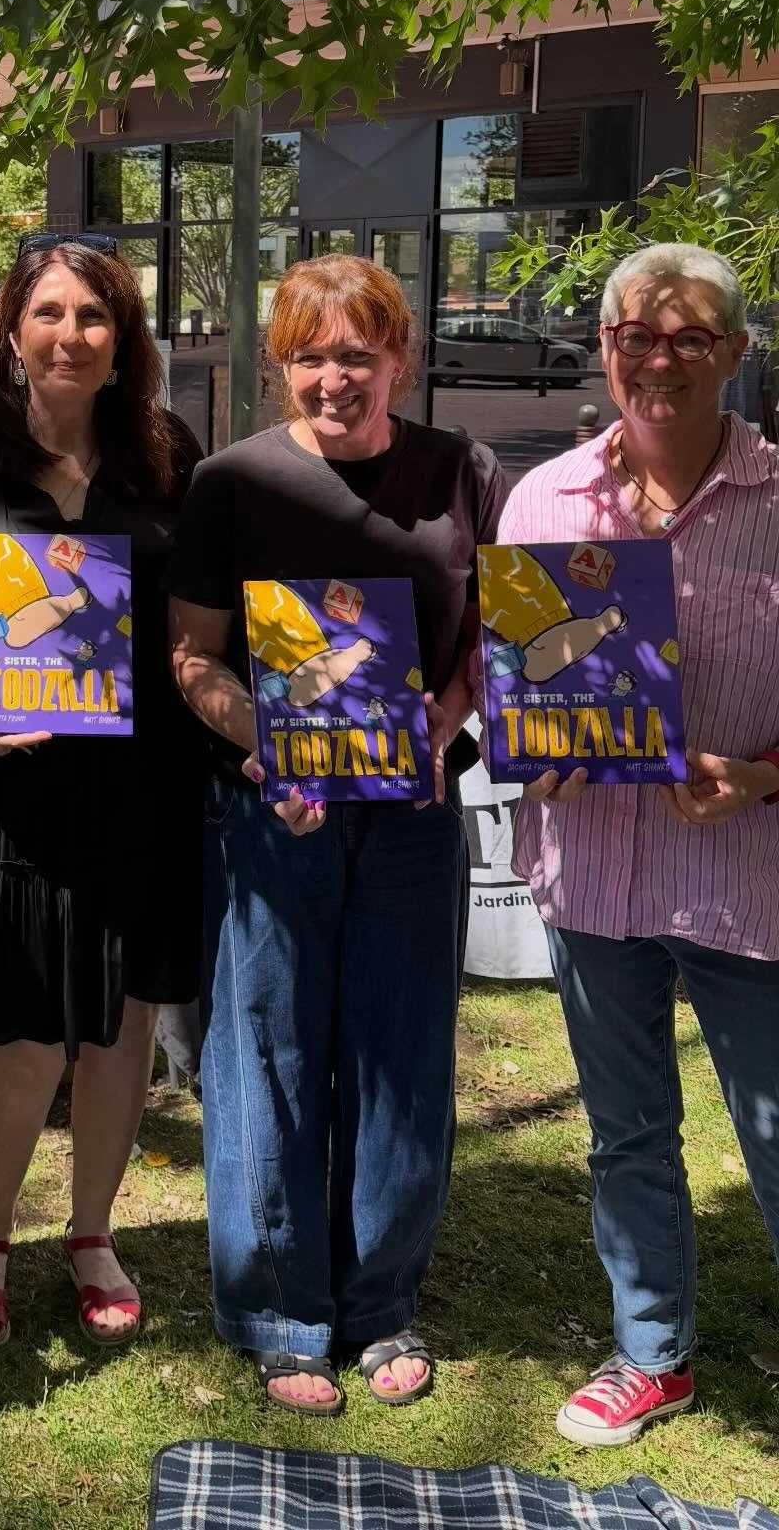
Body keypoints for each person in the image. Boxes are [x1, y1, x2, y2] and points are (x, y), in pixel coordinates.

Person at [168, 254, 506, 1415]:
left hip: (411, 812)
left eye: (358, 353)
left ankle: (380, 1298)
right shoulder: (231, 482)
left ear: (399, 357)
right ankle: (278, 1310)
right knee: (264, 1049)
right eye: (310, 356)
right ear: (280, 365)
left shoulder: (461, 471)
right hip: (274, 812)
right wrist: (261, 736)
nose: (334, 377)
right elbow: (194, 655)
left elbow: (490, 635)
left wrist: (446, 721)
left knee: (400, 1049)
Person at [497, 244, 779, 1447]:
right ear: (604, 346)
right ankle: (651, 1352)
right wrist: (535, 745)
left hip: (745, 878)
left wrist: (764, 773)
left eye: (690, 336)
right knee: (627, 1133)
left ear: (737, 351)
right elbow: (511, 675)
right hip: (593, 873)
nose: (660, 359)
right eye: (636, 335)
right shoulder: (543, 501)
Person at [0, 232, 204, 1351]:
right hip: (17, 794)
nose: (71, 335)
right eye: (49, 313)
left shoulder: (169, 457)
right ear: (12, 335)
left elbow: (204, 620)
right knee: (26, 1033)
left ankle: (91, 1232)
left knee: (121, 1029)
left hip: (145, 792)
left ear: (123, 340)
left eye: (94, 315)